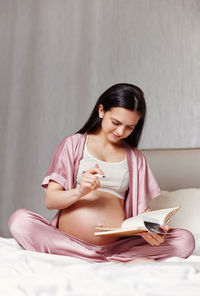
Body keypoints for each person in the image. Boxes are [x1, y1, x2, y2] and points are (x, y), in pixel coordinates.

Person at [8, 83, 195, 263]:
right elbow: (51, 201)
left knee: (185, 240)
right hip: (68, 241)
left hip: (115, 247)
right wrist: (81, 191)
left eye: (130, 127)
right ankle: (99, 258)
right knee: (20, 220)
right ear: (101, 111)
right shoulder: (73, 144)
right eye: (116, 122)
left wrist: (154, 230)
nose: (121, 131)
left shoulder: (136, 159)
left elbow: (142, 212)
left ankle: (101, 257)